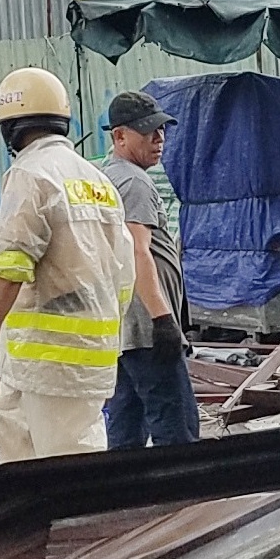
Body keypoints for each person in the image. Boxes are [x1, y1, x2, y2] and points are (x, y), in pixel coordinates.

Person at [0, 68, 136, 461]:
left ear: (11, 126)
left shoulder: (30, 175)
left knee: (70, 467)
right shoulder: (97, 181)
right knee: (12, 429)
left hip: (50, 359)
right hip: (74, 353)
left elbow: (11, 265)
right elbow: (125, 273)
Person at [100, 91, 199, 449]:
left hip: (125, 329)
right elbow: (137, 252)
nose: (159, 140)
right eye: (148, 132)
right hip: (146, 329)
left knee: (125, 428)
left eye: (161, 130)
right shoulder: (134, 182)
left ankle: (123, 498)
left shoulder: (106, 177)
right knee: (177, 427)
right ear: (120, 136)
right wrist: (162, 320)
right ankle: (186, 500)